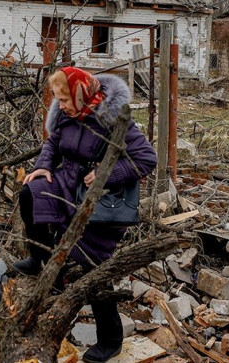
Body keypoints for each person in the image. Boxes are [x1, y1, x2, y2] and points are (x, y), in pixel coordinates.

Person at [15, 66, 157, 363]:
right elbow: (53, 143)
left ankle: (111, 339)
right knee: (30, 192)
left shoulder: (113, 117)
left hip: (102, 201)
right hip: (68, 184)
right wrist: (43, 164)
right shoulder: (67, 114)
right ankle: (39, 259)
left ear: (81, 94)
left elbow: (146, 158)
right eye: (58, 99)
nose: (60, 105)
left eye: (64, 99)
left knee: (91, 265)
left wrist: (108, 174)